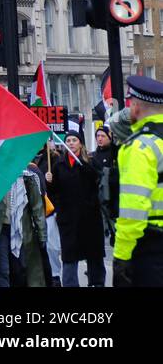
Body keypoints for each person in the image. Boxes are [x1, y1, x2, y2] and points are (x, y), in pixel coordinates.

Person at [112, 75, 163, 287]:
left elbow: (134, 210)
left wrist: (121, 256)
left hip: (151, 247)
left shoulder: (141, 148)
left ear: (134, 107)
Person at [46, 128, 105, 286]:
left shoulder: (90, 161)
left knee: (94, 253)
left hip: (90, 217)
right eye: (68, 141)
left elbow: (98, 179)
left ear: (80, 143)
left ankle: (96, 283)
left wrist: (86, 167)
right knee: (69, 255)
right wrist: (49, 182)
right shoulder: (59, 165)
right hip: (69, 219)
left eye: (74, 140)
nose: (71, 143)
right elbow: (54, 193)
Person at [0, 164, 48, 287]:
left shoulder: (29, 178)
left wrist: (42, 234)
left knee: (20, 270)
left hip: (23, 231)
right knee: (2, 270)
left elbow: (37, 209)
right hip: (0, 231)